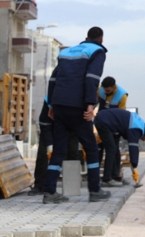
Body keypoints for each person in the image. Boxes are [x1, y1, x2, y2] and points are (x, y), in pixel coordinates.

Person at [42, 26, 111, 204]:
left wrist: (51, 104)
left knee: (59, 150)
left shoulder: (68, 52)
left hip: (59, 105)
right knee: (91, 148)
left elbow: (53, 79)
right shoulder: (97, 51)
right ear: (101, 39)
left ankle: (49, 192)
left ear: (86, 37)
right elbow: (92, 78)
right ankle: (95, 191)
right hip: (77, 106)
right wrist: (90, 104)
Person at [28, 97, 80, 196]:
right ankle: (39, 186)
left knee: (72, 153)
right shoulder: (49, 100)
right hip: (50, 127)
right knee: (43, 154)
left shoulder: (75, 100)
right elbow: (44, 122)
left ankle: (72, 186)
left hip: (70, 127)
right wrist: (49, 144)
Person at [93, 108, 145, 186]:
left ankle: (116, 177)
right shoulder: (137, 129)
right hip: (104, 122)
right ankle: (106, 180)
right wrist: (134, 167)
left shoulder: (140, 124)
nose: (143, 140)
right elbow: (133, 149)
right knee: (111, 149)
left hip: (109, 123)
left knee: (115, 150)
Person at [96, 76, 129, 186]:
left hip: (114, 125)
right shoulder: (100, 89)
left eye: (108, 90)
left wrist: (119, 130)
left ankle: (114, 176)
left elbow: (121, 115)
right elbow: (94, 102)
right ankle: (104, 177)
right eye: (105, 90)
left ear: (114, 87)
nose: (106, 92)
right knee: (104, 149)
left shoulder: (122, 96)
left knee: (114, 150)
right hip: (102, 123)